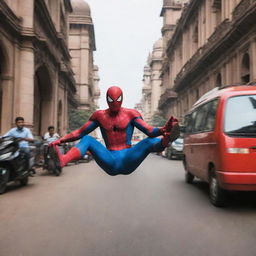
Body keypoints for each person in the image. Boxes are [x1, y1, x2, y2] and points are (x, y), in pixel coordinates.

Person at [51, 86, 180, 176]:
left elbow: (150, 131)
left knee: (148, 142)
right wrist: (61, 140)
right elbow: (79, 132)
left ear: (122, 98)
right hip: (110, 159)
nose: (114, 103)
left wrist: (163, 129)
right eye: (111, 100)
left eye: (117, 99)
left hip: (128, 158)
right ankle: (63, 159)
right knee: (87, 139)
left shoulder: (131, 114)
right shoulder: (99, 116)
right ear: (107, 99)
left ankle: (166, 139)